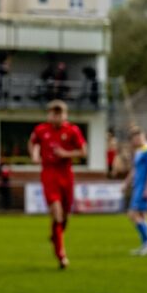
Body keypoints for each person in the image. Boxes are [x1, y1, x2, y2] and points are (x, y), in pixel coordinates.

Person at [28, 100, 87, 269]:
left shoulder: (72, 130)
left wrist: (66, 153)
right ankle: (61, 255)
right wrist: (34, 155)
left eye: (60, 113)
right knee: (56, 211)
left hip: (66, 174)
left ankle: (56, 235)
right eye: (54, 113)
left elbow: (83, 151)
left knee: (65, 215)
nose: (57, 116)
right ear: (49, 115)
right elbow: (33, 142)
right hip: (49, 173)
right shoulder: (41, 130)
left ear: (65, 115)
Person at [124, 126, 147, 256]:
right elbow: (134, 170)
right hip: (138, 186)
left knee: (132, 214)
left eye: (136, 138)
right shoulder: (139, 151)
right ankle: (146, 244)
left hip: (144, 187)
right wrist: (126, 183)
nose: (134, 141)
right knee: (143, 215)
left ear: (141, 137)